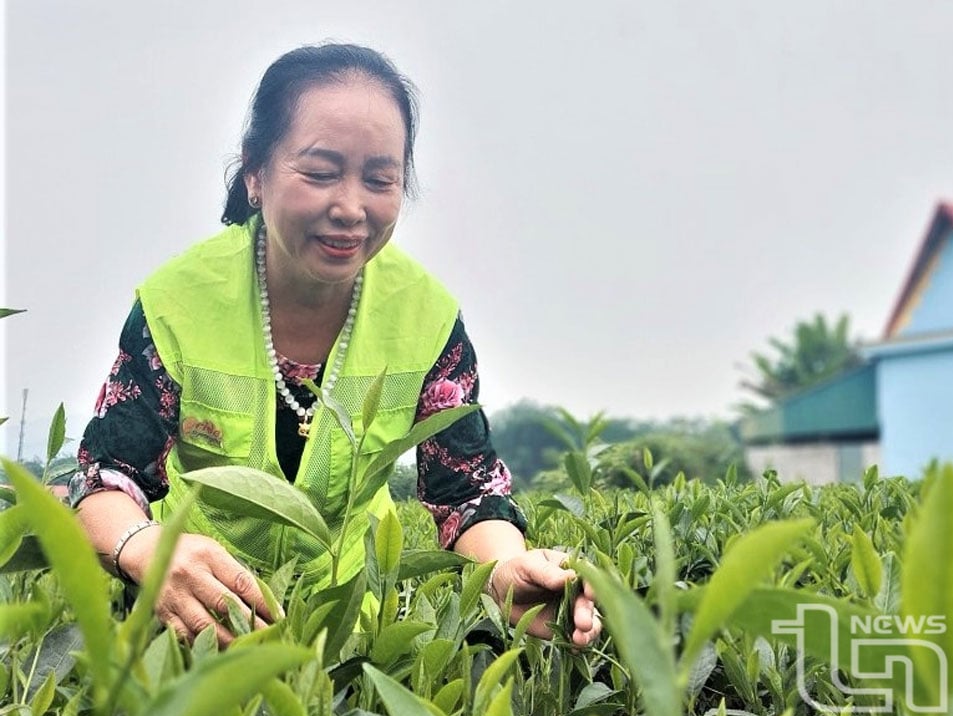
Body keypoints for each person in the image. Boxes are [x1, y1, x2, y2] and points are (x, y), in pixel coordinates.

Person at [69, 42, 601, 649]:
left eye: (380, 179)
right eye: (320, 173)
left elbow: (468, 489)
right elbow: (106, 480)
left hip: (348, 631)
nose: (350, 208)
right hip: (193, 618)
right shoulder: (178, 303)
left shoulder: (425, 316)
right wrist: (146, 549)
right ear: (254, 173)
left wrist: (506, 571)